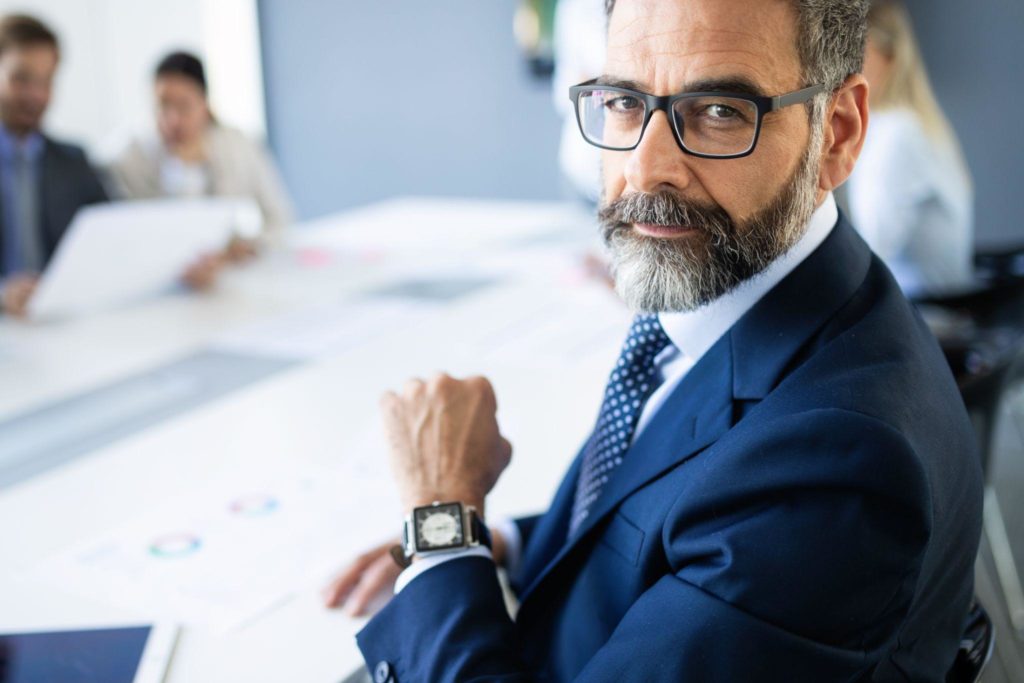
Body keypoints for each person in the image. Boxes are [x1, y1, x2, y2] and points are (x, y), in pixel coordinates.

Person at [326, 0, 983, 680]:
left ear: (837, 135)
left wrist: (441, 524)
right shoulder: (734, 297)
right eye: (622, 101)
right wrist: (503, 545)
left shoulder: (840, 466)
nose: (645, 169)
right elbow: (660, 506)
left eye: (721, 111)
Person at [847, 0, 974, 299]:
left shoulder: (898, 133)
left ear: (890, 57)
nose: (844, 70)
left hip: (923, 308)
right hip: (920, 302)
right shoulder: (898, 125)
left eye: (857, 54)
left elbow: (870, 251)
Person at [107, 51, 294, 246]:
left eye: (184, 106)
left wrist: (248, 247)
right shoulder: (127, 160)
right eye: (163, 105)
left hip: (231, 266)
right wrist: (180, 170)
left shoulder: (238, 145)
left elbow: (280, 219)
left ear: (205, 104)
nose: (173, 120)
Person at [0, 14, 107, 316]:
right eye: (21, 79)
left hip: (61, 321)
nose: (35, 95)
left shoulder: (74, 162)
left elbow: (118, 237)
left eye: (46, 81)